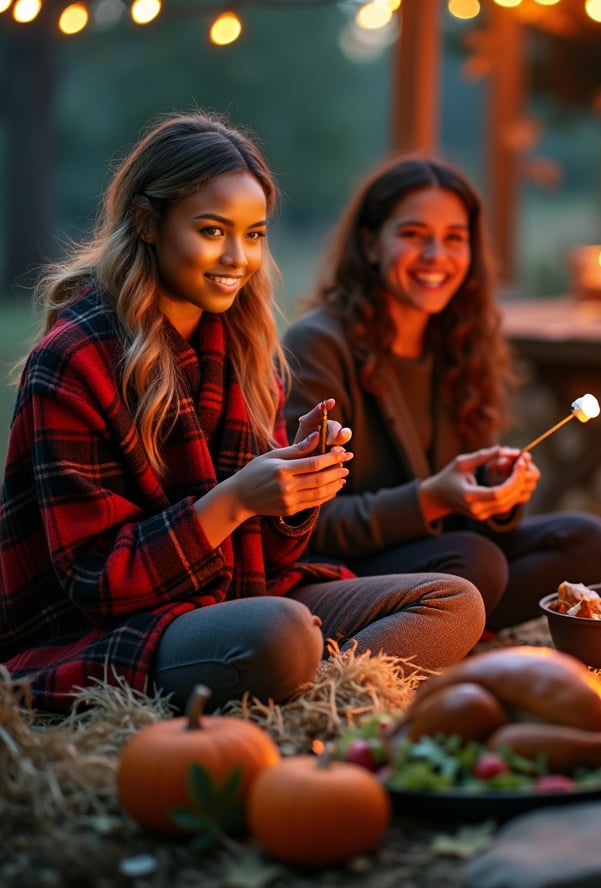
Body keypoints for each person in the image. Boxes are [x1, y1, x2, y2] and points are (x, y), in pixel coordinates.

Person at [0, 113, 485, 714]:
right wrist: (235, 500)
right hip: (125, 626)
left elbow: (274, 561)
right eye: (212, 230)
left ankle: (314, 702)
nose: (238, 257)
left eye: (253, 234)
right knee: (279, 634)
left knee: (455, 601)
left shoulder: (244, 347)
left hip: (243, 597)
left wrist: (297, 491)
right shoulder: (73, 360)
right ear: (149, 223)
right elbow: (97, 582)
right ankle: (301, 691)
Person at [281, 154, 601, 631]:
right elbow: (309, 525)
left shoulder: (460, 341)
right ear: (370, 244)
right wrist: (432, 499)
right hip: (342, 570)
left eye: (454, 238)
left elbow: (465, 509)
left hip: (444, 555)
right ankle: (438, 624)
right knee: (476, 563)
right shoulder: (319, 344)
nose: (437, 255)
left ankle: (449, 625)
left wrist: (495, 490)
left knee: (585, 540)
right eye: (414, 235)